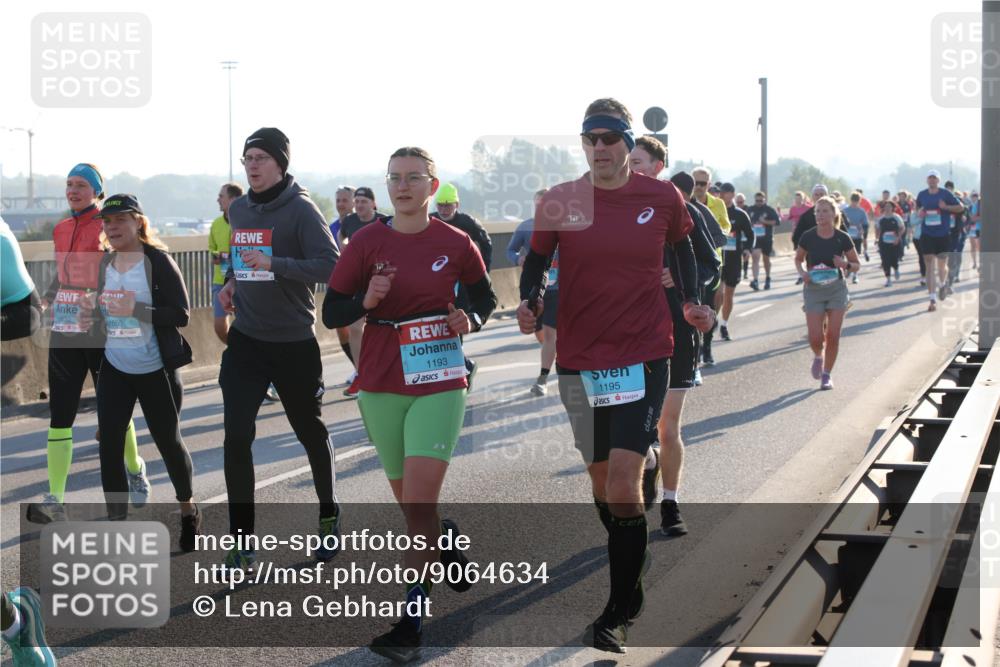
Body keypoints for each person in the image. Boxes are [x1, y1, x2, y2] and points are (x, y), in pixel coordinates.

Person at [517, 99, 713, 653]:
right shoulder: (561, 201)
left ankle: (618, 609)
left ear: (628, 144)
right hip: (580, 357)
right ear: (583, 145)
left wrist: (694, 301)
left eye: (610, 138)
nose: (600, 148)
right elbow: (535, 262)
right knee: (603, 484)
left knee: (623, 484)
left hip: (645, 352)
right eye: (590, 139)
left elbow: (685, 251)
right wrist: (530, 301)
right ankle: (634, 536)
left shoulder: (661, 197)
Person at [323, 147, 497, 661]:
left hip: (440, 379)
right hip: (379, 381)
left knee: (417, 504)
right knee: (413, 508)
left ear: (431, 185)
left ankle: (411, 620)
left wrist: (471, 319)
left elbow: (485, 299)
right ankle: (443, 537)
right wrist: (366, 303)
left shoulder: (457, 242)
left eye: (413, 178)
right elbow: (332, 308)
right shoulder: (364, 242)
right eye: (394, 178)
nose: (403, 186)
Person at [216, 128, 341, 568]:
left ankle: (328, 513)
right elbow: (241, 260)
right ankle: (242, 539)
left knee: (309, 432)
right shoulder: (241, 210)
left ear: (281, 164)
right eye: (247, 157)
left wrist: (277, 264)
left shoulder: (302, 210)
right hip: (247, 340)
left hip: (293, 342)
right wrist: (232, 283)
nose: (252, 165)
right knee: (235, 437)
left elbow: (332, 266)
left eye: (261, 158)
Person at [78, 195, 202, 550]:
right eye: (107, 222)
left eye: (119, 220)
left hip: (155, 368)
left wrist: (136, 308)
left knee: (168, 443)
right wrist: (90, 313)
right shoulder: (105, 264)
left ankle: (188, 510)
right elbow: (103, 317)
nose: (112, 228)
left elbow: (181, 314)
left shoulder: (158, 261)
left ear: (138, 223)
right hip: (116, 367)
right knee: (109, 447)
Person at [27, 163, 147, 525]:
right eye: (68, 184)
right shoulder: (61, 228)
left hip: (102, 327)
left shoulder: (107, 225)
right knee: (60, 414)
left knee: (114, 408)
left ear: (96, 191)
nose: (72, 190)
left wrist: (100, 298)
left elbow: (124, 268)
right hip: (65, 328)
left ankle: (135, 468)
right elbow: (64, 276)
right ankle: (56, 498)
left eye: (80, 185)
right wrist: (47, 299)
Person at [795, 196, 860, 390]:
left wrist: (845, 264)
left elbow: (856, 265)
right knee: (815, 337)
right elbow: (798, 259)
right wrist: (803, 273)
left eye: (825, 211)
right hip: (814, 289)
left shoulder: (842, 237)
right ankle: (818, 355)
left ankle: (827, 374)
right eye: (818, 211)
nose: (820, 215)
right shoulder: (808, 236)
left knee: (833, 335)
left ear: (834, 214)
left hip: (836, 289)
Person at [434, 183, 493, 390]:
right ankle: (463, 367)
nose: (444, 209)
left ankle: (461, 372)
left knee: (455, 327)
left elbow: (486, 245)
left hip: (464, 285)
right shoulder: (429, 220)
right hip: (439, 283)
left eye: (448, 205)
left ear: (457, 204)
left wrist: (480, 274)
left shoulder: (468, 223)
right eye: (441, 205)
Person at [338, 186, 390, 397]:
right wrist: (345, 251)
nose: (359, 205)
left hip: (384, 278)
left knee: (385, 326)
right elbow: (340, 236)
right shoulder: (349, 221)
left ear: (373, 204)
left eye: (364, 202)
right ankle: (361, 375)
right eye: (357, 202)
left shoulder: (384, 221)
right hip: (359, 280)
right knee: (355, 326)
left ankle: (390, 371)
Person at [915, 170, 964, 311]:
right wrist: (920, 213)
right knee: (929, 264)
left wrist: (946, 207)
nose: (932, 180)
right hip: (927, 234)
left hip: (942, 234)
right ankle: (932, 299)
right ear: (927, 180)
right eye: (930, 178)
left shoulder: (945, 194)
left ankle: (943, 284)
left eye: (934, 178)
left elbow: (960, 207)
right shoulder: (922, 194)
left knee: (942, 265)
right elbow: (917, 209)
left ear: (938, 180)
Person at [508, 190, 548, 346]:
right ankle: (550, 349)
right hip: (534, 282)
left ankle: (559, 354)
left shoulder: (563, 225)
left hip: (558, 282)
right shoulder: (525, 227)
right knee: (539, 326)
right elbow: (510, 250)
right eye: (539, 204)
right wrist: (519, 258)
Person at [717, 183, 755, 341]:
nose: (721, 195)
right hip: (717, 258)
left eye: (725, 193)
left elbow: (750, 234)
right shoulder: (714, 211)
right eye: (721, 192)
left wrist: (747, 249)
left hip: (733, 259)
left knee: (729, 294)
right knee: (718, 293)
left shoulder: (740, 214)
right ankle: (711, 322)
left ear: (732, 194)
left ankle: (724, 324)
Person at [328, 186, 357, 380]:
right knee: (342, 330)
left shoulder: (364, 224)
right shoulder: (331, 228)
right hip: (339, 286)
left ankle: (367, 371)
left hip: (360, 286)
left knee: (359, 329)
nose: (340, 204)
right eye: (338, 200)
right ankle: (359, 368)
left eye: (345, 200)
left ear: (355, 202)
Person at [208, 183, 242, 345]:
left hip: (243, 280)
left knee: (245, 325)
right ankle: (236, 350)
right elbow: (211, 248)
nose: (217, 200)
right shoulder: (215, 224)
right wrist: (216, 256)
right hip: (219, 280)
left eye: (221, 196)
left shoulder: (247, 220)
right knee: (219, 326)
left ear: (233, 199)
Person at [745, 191, 780, 290]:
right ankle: (755, 280)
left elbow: (777, 222)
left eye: (761, 200)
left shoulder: (769, 210)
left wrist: (765, 221)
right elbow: (745, 222)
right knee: (755, 257)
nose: (759, 202)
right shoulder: (750, 209)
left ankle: (768, 277)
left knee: (766, 259)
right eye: (757, 200)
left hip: (767, 238)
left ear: (764, 200)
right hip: (755, 238)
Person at [841, 193, 869, 283]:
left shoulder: (861, 211)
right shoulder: (844, 211)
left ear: (859, 201)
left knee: (855, 256)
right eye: (853, 201)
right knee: (845, 255)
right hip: (846, 237)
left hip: (857, 237)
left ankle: (855, 275)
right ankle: (849, 270)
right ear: (851, 200)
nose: (855, 203)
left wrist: (863, 230)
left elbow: (865, 224)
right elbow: (840, 223)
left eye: (856, 201)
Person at [875, 200, 904, 286]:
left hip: (895, 242)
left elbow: (902, 228)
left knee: (894, 258)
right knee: (885, 261)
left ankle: (896, 269)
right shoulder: (881, 219)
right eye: (886, 206)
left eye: (889, 206)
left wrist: (898, 238)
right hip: (883, 243)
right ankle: (888, 279)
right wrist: (876, 239)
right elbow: (877, 229)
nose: (887, 208)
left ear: (893, 208)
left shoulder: (897, 217)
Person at [970, 191, 981, 271]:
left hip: (991, 230)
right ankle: (977, 263)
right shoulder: (977, 204)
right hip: (977, 229)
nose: (974, 197)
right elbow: (973, 218)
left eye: (975, 195)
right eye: (973, 196)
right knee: (978, 248)